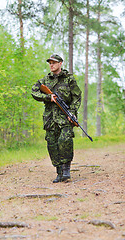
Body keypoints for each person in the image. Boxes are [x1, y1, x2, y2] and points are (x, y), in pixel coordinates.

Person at [31, 54, 81, 183]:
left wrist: (73, 112)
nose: (51, 65)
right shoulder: (45, 80)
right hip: (50, 118)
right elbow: (34, 92)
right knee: (52, 145)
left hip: (65, 117)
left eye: (54, 62)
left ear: (60, 63)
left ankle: (66, 171)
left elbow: (77, 96)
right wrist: (48, 98)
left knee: (65, 141)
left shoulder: (69, 79)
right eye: (50, 63)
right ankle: (59, 172)